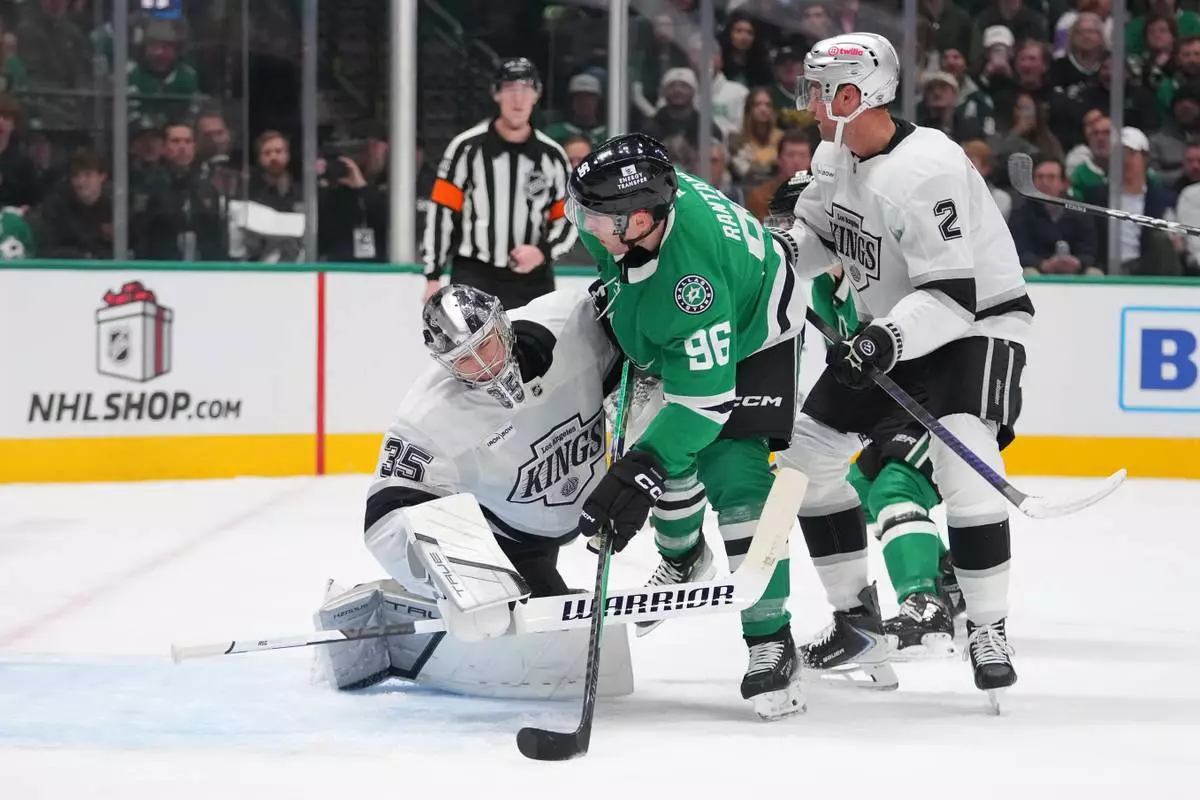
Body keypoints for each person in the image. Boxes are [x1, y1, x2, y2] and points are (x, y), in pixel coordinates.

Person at [770, 32, 1032, 705]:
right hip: (893, 329)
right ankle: (856, 622)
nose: (810, 103)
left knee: (964, 459)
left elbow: (952, 297)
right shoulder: (834, 155)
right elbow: (818, 238)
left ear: (854, 95)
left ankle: (987, 628)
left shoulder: (926, 170)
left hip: (974, 327)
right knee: (804, 462)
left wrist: (882, 339)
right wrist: (774, 254)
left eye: (819, 91)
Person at [565, 132, 819, 720]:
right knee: (663, 459)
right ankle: (683, 557)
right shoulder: (624, 216)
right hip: (682, 325)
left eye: (597, 218)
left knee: (733, 472)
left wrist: (639, 470)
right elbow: (614, 257)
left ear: (642, 221)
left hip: (758, 335)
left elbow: (702, 408)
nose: (585, 225)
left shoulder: (691, 286)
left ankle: (771, 639)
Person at [314, 284, 635, 699]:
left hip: (590, 501)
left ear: (503, 323)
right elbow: (386, 518)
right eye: (465, 359)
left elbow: (644, 316)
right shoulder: (429, 416)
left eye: (486, 345)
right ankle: (388, 604)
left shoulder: (570, 321)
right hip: (511, 538)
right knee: (531, 636)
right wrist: (459, 583)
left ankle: (682, 547)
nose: (484, 365)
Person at [766, 173, 965, 660]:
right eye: (785, 225)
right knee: (850, 489)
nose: (792, 237)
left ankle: (925, 607)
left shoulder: (890, 268)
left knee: (896, 487)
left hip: (936, 389)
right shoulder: (823, 286)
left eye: (795, 224)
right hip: (883, 400)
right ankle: (944, 577)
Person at [422, 58, 577, 311]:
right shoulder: (466, 148)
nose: (518, 98)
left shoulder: (552, 156)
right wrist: (433, 275)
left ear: (536, 96)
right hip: (474, 273)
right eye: (510, 89)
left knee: (533, 338)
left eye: (526, 89)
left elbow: (569, 217)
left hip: (533, 278)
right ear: (497, 94)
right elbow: (442, 212)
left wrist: (542, 251)